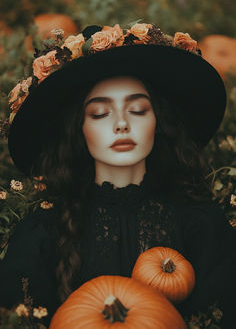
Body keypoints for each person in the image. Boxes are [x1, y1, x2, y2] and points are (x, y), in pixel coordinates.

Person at [0, 22, 235, 328]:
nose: (122, 124)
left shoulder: (201, 225)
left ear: (158, 123)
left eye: (137, 110)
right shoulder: (42, 235)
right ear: (79, 130)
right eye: (99, 114)